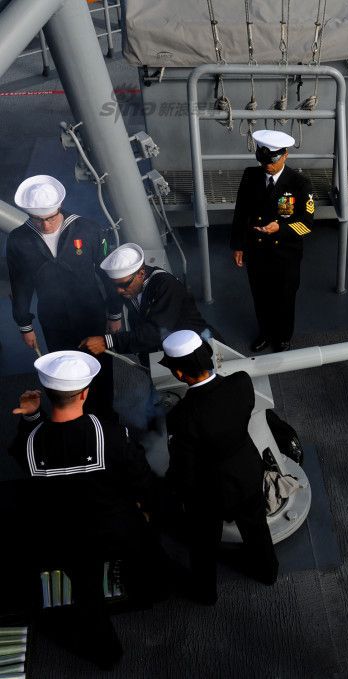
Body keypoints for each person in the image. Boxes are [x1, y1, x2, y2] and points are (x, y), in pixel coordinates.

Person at [9, 351, 162, 668]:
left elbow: (27, 455)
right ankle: (150, 591)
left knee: (87, 596)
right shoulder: (110, 433)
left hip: (69, 539)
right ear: (84, 393)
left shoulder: (29, 443)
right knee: (145, 548)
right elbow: (141, 477)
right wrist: (147, 508)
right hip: (118, 529)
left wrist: (31, 417)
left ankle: (107, 656)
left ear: (47, 393)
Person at [159, 330, 278, 605]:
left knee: (203, 544)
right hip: (247, 473)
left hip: (209, 491)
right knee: (257, 529)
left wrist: (173, 492)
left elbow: (184, 467)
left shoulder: (181, 417)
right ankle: (268, 572)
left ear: (179, 374)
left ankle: (206, 594)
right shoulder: (241, 383)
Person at [8, 175, 122, 416]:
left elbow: (107, 274)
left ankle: (106, 419)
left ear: (59, 207)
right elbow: (20, 285)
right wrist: (25, 325)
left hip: (91, 314)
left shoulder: (89, 229)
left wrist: (115, 313)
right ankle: (73, 419)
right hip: (53, 319)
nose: (45, 226)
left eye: (50, 218)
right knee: (62, 374)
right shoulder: (18, 239)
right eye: (38, 219)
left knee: (100, 369)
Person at [230, 129, 315, 353]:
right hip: (257, 251)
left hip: (285, 254)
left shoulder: (300, 184)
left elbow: (307, 224)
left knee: (285, 298)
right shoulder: (250, 176)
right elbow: (241, 213)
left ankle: (283, 337)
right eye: (263, 160)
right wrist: (238, 245)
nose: (267, 166)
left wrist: (281, 228)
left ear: (285, 155)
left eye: (272, 161)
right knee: (260, 296)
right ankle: (265, 333)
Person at [80, 243, 208, 360]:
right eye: (115, 285)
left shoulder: (166, 285)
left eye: (124, 285)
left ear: (141, 273)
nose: (119, 291)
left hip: (194, 348)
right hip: (163, 347)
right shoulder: (128, 285)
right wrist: (114, 316)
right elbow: (116, 294)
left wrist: (107, 341)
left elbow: (156, 332)